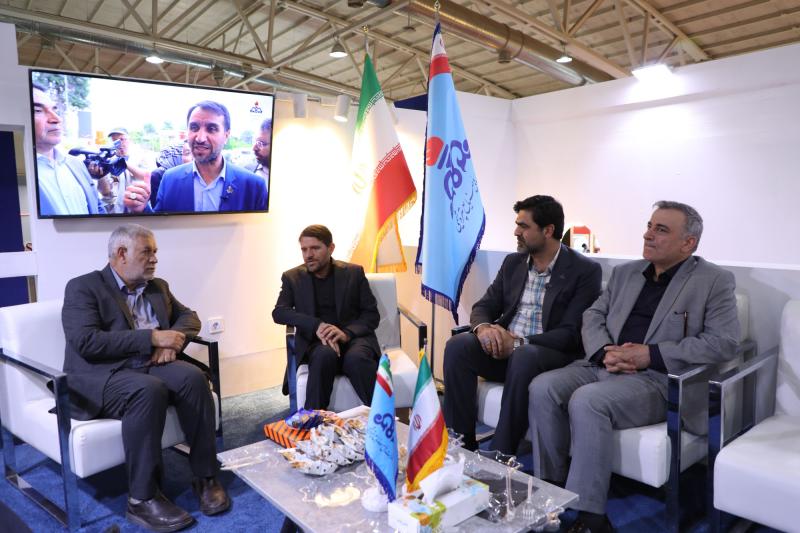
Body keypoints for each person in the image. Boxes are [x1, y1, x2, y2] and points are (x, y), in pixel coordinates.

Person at [528, 201, 740, 533]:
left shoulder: (714, 281)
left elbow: (724, 342)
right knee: (543, 386)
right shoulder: (626, 273)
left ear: (688, 243)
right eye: (649, 226)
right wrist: (603, 352)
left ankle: (591, 516)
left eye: (661, 230)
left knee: (588, 400)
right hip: (604, 364)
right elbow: (593, 315)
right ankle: (552, 490)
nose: (648, 235)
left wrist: (650, 354)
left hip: (659, 379)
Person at [62, 224, 230, 532]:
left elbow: (189, 317)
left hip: (150, 364)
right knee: (148, 390)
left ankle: (205, 476)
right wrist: (152, 337)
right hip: (104, 375)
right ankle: (142, 499)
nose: (154, 259)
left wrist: (170, 342)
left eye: (155, 252)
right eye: (147, 252)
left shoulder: (157, 286)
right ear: (121, 254)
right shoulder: (83, 287)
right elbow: (86, 341)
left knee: (193, 378)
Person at [443, 195, 602, 452]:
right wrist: (484, 330)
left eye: (524, 226)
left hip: (545, 355)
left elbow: (572, 333)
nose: (516, 232)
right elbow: (484, 306)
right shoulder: (513, 263)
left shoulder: (584, 270)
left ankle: (501, 453)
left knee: (523, 354)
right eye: (517, 224)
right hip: (506, 352)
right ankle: (460, 445)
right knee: (458, 345)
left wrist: (518, 343)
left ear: (548, 230)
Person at [272, 224, 380, 409]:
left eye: (315, 248)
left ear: (331, 248)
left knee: (357, 360)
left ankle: (382, 417)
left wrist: (346, 333)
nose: (308, 255)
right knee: (324, 356)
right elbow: (279, 312)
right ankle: (313, 420)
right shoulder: (292, 277)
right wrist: (316, 325)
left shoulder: (353, 273)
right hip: (317, 342)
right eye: (304, 249)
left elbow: (371, 314)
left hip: (353, 339)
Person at [129, 101, 267, 213]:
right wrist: (142, 209)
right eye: (194, 128)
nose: (200, 138)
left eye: (211, 129)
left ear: (226, 135)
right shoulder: (170, 179)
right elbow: (161, 228)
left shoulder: (253, 186)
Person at [32, 82, 109, 216]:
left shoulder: (76, 164)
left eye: (55, 110)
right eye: (38, 110)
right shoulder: (19, 172)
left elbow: (97, 207)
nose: (56, 119)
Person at [148, 140, 193, 210]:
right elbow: (158, 214)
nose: (193, 157)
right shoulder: (168, 178)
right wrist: (142, 209)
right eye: (187, 153)